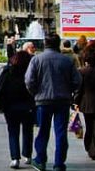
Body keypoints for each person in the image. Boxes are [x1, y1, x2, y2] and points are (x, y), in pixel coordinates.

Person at [25, 34, 81, 171]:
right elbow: (77, 81)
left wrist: (35, 93)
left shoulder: (37, 59)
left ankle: (40, 160)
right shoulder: (66, 61)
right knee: (61, 132)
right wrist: (69, 91)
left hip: (43, 101)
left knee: (43, 131)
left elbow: (29, 80)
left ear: (45, 43)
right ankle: (59, 163)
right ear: (58, 44)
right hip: (63, 100)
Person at [0, 50, 35, 168]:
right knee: (28, 131)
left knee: (13, 132)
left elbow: (0, 89)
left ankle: (15, 158)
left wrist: (0, 106)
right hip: (28, 106)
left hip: (10, 107)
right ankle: (28, 155)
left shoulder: (8, 72)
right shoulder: (31, 72)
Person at [74, 47, 95, 161]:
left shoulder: (82, 71)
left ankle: (89, 146)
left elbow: (79, 89)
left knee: (89, 125)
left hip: (86, 102)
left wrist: (75, 102)